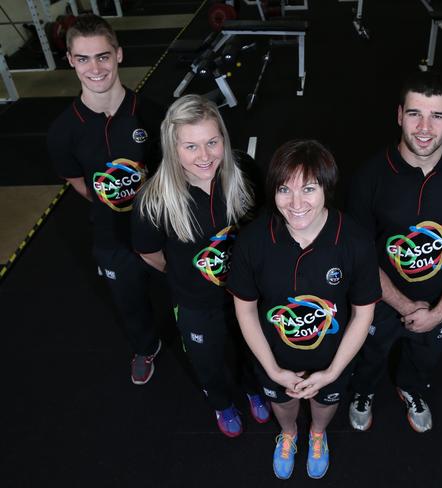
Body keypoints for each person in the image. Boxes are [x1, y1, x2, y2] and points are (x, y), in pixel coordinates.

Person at [346, 72, 442, 433]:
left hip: (441, 299)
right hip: (379, 299)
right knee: (370, 355)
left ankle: (411, 389)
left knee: (424, 358)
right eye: (415, 114)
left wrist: (440, 311)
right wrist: (406, 307)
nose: (425, 127)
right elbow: (360, 259)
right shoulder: (369, 178)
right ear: (399, 115)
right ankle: (363, 392)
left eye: (437, 116)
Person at [227, 140, 380, 479]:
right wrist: (273, 369)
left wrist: (332, 372)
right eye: (285, 189)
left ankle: (317, 434)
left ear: (327, 187)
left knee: (325, 404)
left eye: (308, 188)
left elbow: (363, 314)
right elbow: (246, 311)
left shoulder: (355, 241)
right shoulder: (253, 240)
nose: (296, 204)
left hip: (331, 358)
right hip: (273, 355)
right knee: (283, 403)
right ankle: (289, 434)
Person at [131, 94, 270, 437]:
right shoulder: (153, 202)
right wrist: (185, 278)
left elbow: (266, 227)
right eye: (190, 147)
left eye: (212, 142)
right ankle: (222, 403)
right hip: (195, 304)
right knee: (207, 362)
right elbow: (150, 255)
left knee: (253, 350)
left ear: (224, 137)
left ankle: (253, 388)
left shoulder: (246, 175)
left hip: (247, 294)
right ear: (172, 147)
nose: (204, 156)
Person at [47, 14, 164, 385]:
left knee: (190, 293)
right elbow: (77, 182)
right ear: (70, 60)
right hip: (111, 237)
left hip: (162, 228)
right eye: (83, 58)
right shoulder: (63, 131)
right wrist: (111, 203)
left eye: (103, 56)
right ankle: (146, 348)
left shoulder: (153, 113)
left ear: (119, 55)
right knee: (129, 302)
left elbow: (171, 173)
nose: (94, 68)